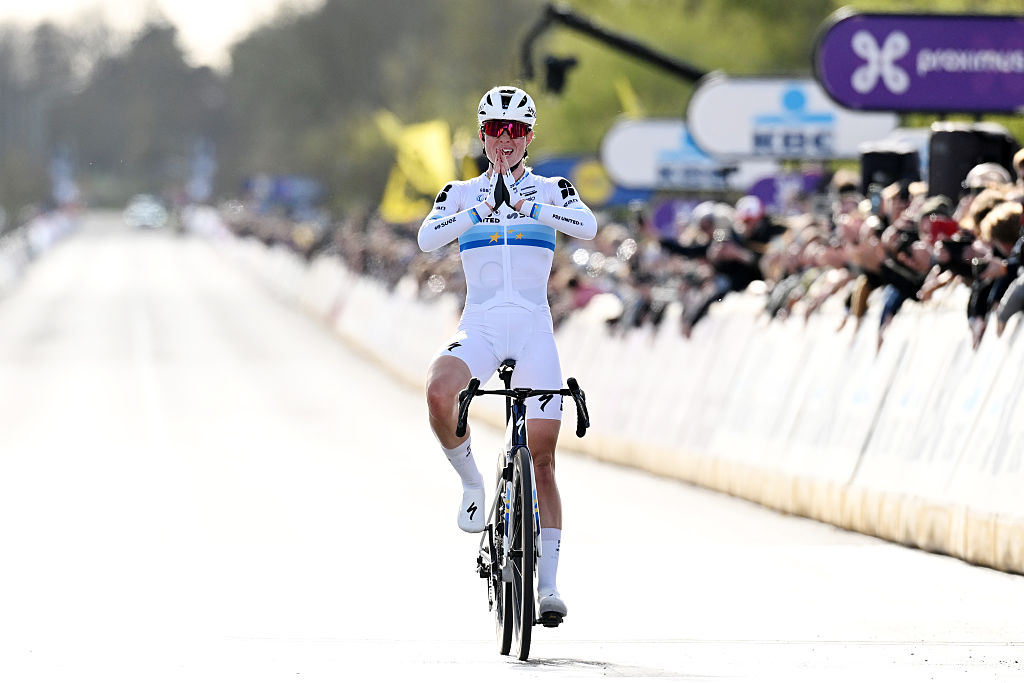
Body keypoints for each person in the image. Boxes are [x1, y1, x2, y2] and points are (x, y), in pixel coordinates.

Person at [417, 85, 597, 623]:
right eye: (496, 130)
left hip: (535, 331)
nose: (505, 140)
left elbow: (586, 226)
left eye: (516, 130)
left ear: (529, 136)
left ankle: (547, 587)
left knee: (542, 459)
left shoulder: (553, 187)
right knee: (439, 390)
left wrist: (531, 205)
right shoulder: (460, 191)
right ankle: (473, 483)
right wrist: (478, 213)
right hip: (482, 327)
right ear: (483, 135)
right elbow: (428, 239)